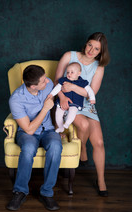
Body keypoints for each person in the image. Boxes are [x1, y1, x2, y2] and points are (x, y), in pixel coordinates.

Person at [54, 32, 110, 197]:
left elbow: (91, 93)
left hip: (86, 104)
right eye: (90, 45)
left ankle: (101, 181)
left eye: (96, 48)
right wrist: (63, 97)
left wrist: (73, 88)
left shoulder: (99, 66)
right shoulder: (69, 56)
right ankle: (82, 147)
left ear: (101, 52)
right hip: (68, 101)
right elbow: (57, 80)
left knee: (99, 142)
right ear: (86, 44)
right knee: (83, 125)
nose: (91, 50)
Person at [7, 65, 62, 211]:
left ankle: (46, 193)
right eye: (43, 81)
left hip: (49, 130)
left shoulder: (48, 83)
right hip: (27, 133)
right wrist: (45, 109)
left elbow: (60, 97)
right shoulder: (16, 99)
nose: (48, 82)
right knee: (29, 148)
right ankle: (20, 191)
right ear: (33, 86)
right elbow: (29, 129)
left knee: (56, 146)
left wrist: (60, 127)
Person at [49, 62, 95, 133]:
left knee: (73, 111)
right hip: (63, 101)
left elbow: (89, 90)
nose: (69, 74)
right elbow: (57, 88)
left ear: (78, 73)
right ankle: (60, 127)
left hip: (75, 102)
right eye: (68, 72)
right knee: (58, 113)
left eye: (72, 72)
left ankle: (67, 123)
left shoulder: (82, 82)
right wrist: (51, 94)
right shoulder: (64, 80)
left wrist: (92, 98)